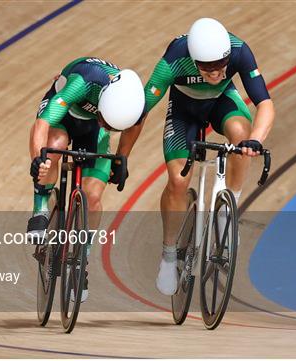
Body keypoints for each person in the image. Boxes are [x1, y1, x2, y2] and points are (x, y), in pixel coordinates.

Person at [114, 18, 275, 295]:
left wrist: (255, 142)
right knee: (178, 180)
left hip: (221, 102)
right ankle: (168, 254)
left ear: (228, 56)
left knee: (240, 135)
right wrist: (122, 156)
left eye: (220, 66)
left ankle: (229, 208)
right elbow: (139, 113)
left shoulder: (239, 51)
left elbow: (265, 104)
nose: (215, 73)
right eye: (207, 68)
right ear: (193, 59)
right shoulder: (174, 58)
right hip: (183, 112)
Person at [28, 57, 145, 301]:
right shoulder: (83, 82)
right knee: (54, 147)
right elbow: (43, 123)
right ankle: (40, 208)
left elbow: (134, 126)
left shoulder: (133, 104)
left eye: (111, 125)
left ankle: (82, 258)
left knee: (92, 198)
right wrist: (37, 159)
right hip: (64, 115)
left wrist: (121, 159)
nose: (107, 124)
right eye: (106, 119)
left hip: (92, 128)